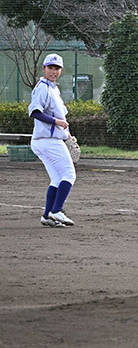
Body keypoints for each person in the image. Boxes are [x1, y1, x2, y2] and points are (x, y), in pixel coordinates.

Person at [29, 53, 76, 227]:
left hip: (44, 140)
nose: (53, 71)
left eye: (57, 68)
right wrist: (56, 122)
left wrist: (66, 133)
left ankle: (47, 215)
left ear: (61, 70)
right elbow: (35, 112)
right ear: (44, 69)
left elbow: (59, 115)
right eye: (50, 67)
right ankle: (57, 211)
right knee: (69, 175)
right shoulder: (43, 87)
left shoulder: (53, 88)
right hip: (48, 140)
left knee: (57, 178)